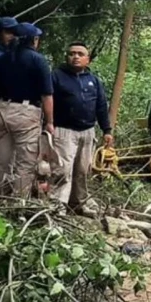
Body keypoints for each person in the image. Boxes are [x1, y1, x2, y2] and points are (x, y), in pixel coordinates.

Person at [50, 42, 112, 215]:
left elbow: (101, 105)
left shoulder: (94, 80)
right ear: (67, 57)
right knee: (63, 169)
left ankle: (78, 203)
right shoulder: (56, 76)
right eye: (71, 53)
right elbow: (47, 101)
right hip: (63, 130)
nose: (75, 57)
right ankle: (57, 206)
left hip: (87, 131)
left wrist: (107, 130)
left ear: (88, 59)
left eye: (80, 54)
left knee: (83, 170)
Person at [0, 23, 54, 197]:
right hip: (26, 113)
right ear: (34, 40)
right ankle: (18, 203)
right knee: (25, 163)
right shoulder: (38, 60)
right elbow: (47, 95)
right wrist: (50, 122)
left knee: (1, 160)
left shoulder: (3, 59)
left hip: (2, 110)